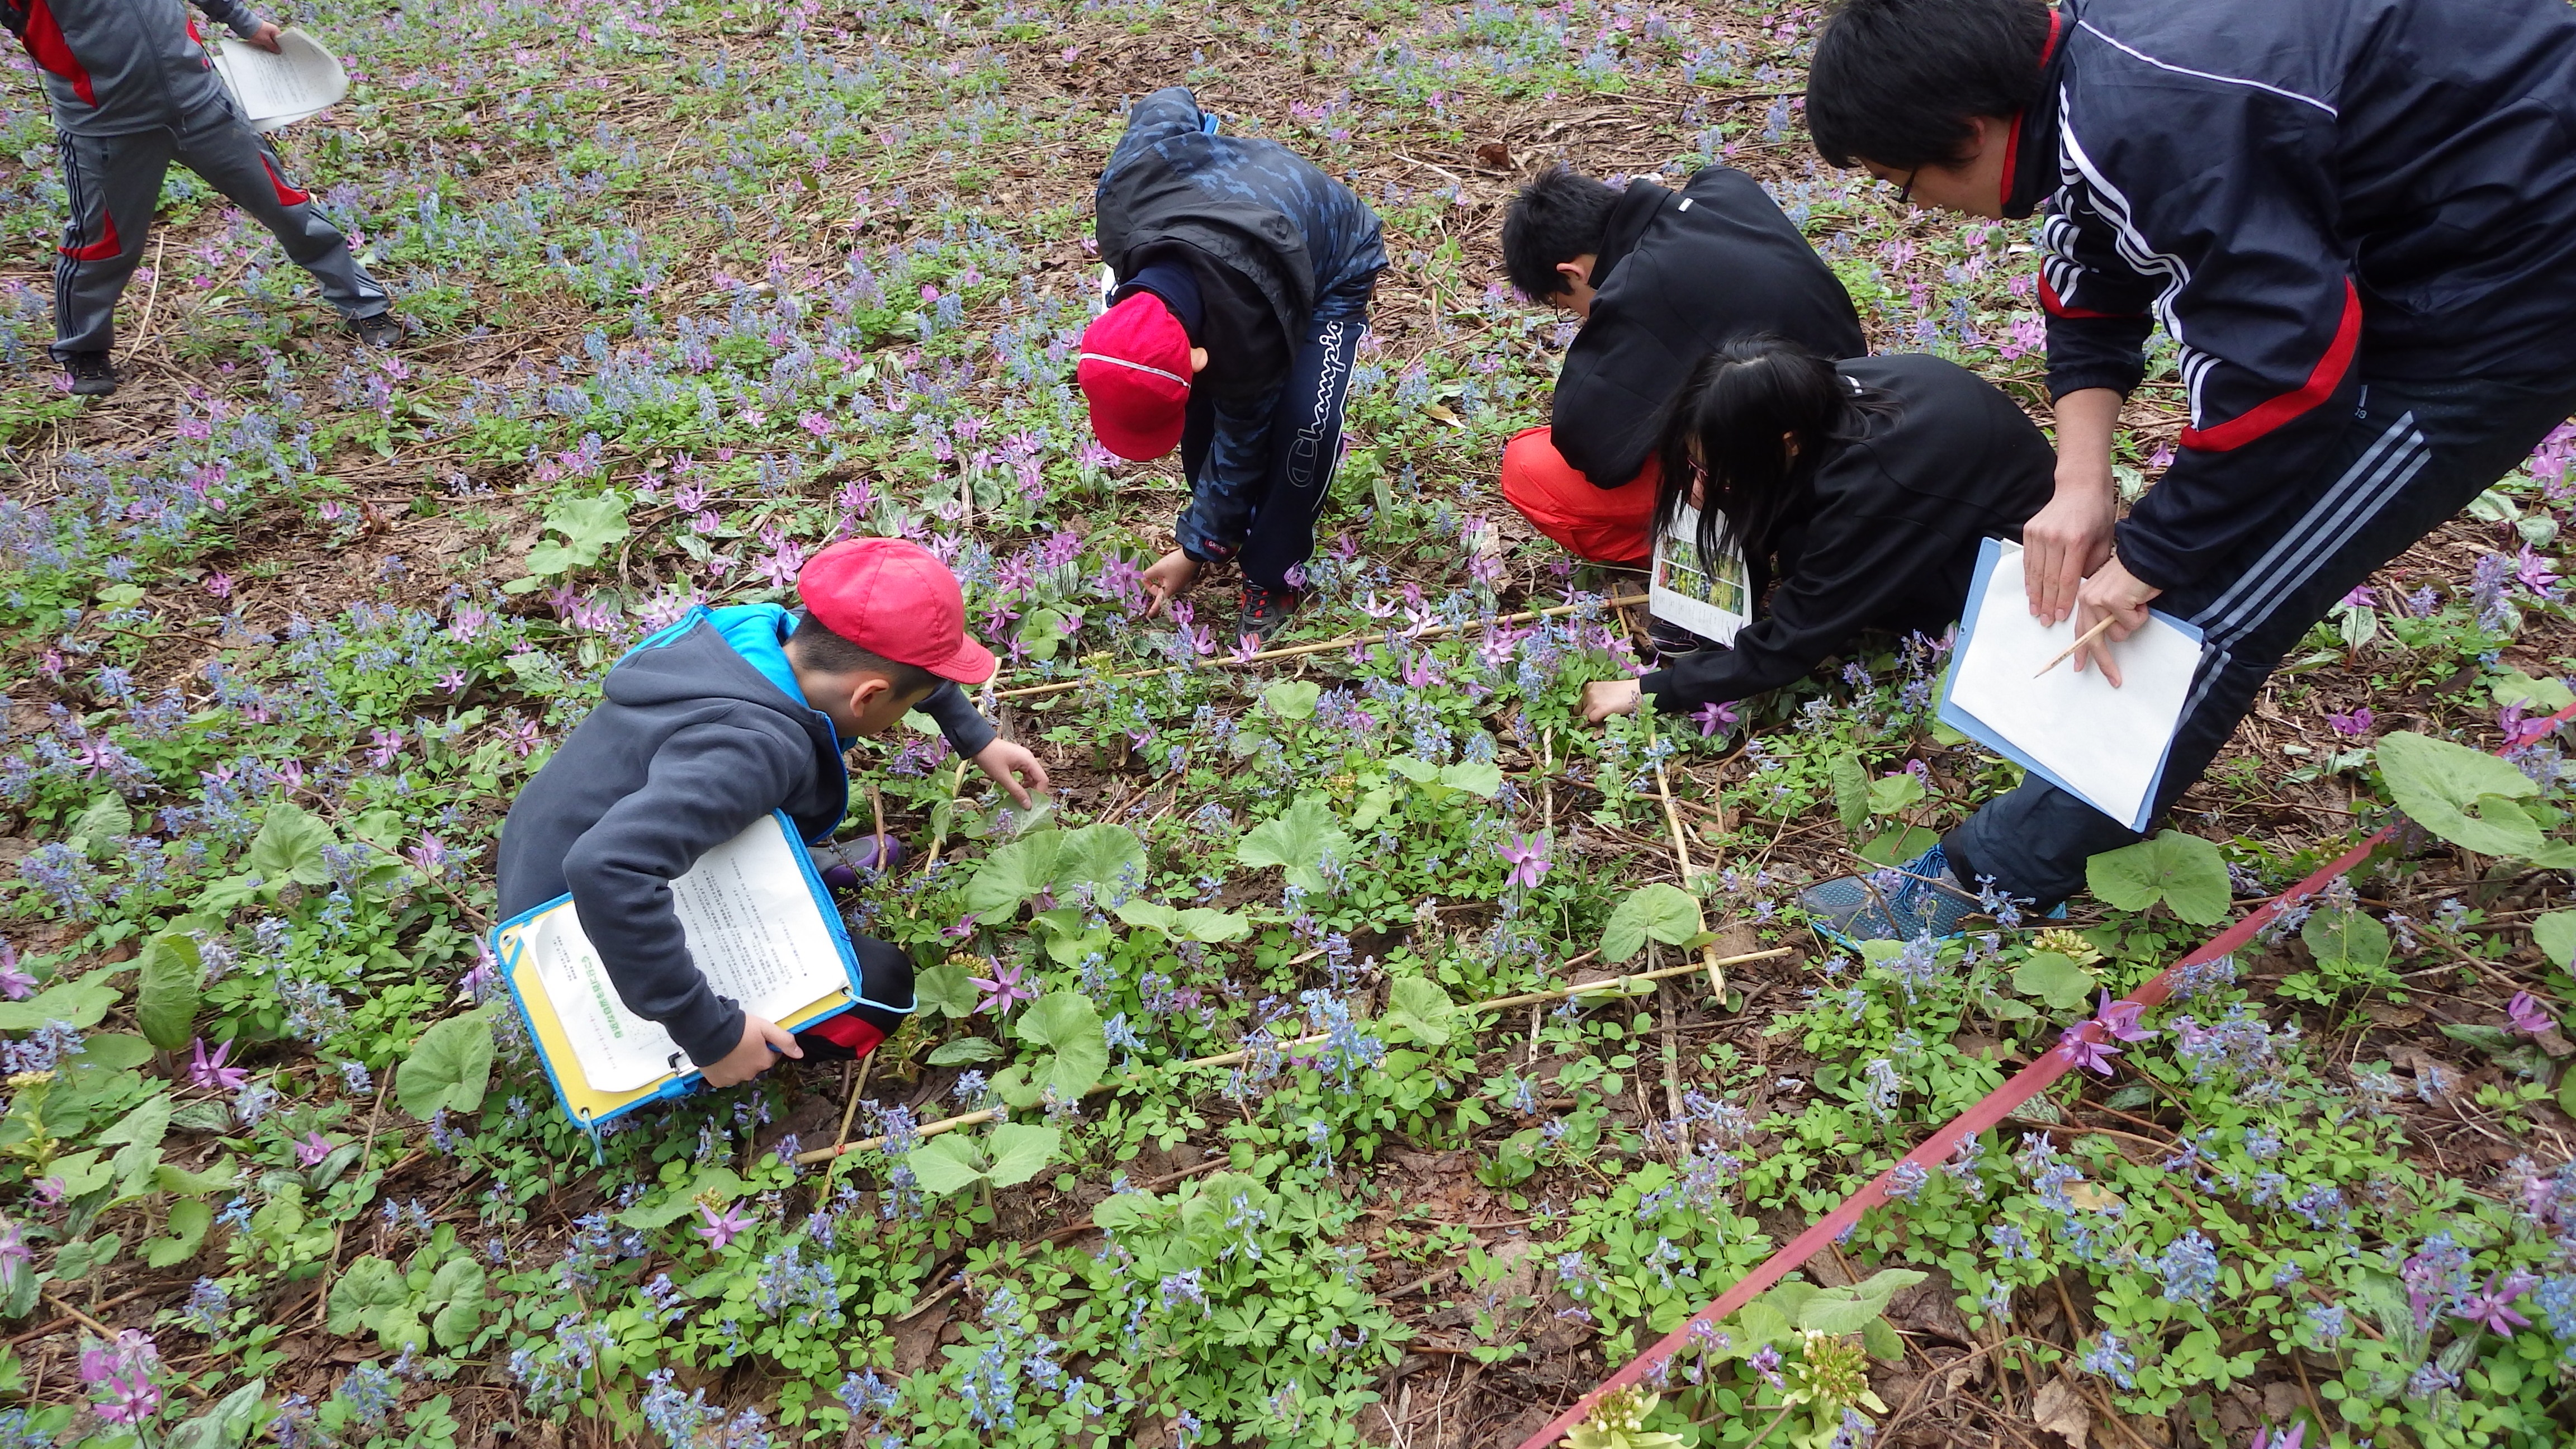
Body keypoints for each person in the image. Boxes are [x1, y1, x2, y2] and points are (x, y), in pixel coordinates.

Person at [1794, 0, 2576, 939]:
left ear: (1966, 133)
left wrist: (2151, 556)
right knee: (2193, 551)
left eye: (1900, 184)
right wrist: (2080, 481)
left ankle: (1993, 876)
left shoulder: (2156, 114)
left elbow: (2286, 387)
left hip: (2518, 280)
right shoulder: (2083, 72)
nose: (1914, 209)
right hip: (2447, 204)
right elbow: (2089, 265)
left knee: (2225, 598)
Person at [494, 539, 1051, 1088]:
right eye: (902, 708)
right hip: (572, 939)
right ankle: (701, 1046)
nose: (905, 713)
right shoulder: (753, 751)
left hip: (555, 847)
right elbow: (606, 870)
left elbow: (893, 664)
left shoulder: (755, 631)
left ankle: (796, 868)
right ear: (867, 698)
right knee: (880, 985)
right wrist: (710, 1032)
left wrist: (976, 737)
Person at [1579, 339, 2053, 724]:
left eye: (1719, 471)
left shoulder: (1875, 486)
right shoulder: (1802, 393)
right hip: (1943, 506)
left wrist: (1647, 691)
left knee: (1806, 555)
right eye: (1696, 466)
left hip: (2007, 578)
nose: (1702, 484)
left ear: (1788, 444)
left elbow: (1792, 643)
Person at [1079, 85, 1386, 641]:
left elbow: (1242, 443)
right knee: (1203, 415)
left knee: (1302, 426)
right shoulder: (1122, 200)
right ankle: (1225, 530)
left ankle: (1274, 574)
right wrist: (1207, 146)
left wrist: (1195, 549)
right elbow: (1166, 104)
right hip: (1246, 220)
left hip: (1328, 253)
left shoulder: (1248, 335)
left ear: (1199, 355)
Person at [1, 0, 403, 397]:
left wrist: (243, 21)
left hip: (202, 104)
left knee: (287, 207)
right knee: (102, 243)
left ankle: (364, 304)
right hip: (104, 126)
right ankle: (83, 349)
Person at [1497, 164, 1867, 567]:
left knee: (1528, 465)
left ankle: (1719, 548)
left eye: (1568, 305)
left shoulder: (1635, 288)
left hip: (1794, 470)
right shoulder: (1725, 188)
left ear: (1573, 274)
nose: (1582, 316)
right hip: (1862, 400)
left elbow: (1589, 448)